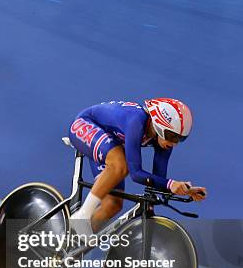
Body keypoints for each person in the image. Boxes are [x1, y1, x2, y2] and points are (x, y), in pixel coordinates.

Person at [68, 99, 207, 235]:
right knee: (120, 165)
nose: (174, 143)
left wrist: (184, 189)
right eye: (171, 136)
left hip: (110, 141)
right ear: (158, 125)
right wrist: (171, 184)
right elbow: (136, 173)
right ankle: (82, 216)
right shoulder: (137, 121)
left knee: (113, 205)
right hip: (85, 123)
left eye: (179, 139)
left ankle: (74, 243)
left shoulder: (165, 141)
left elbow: (158, 181)